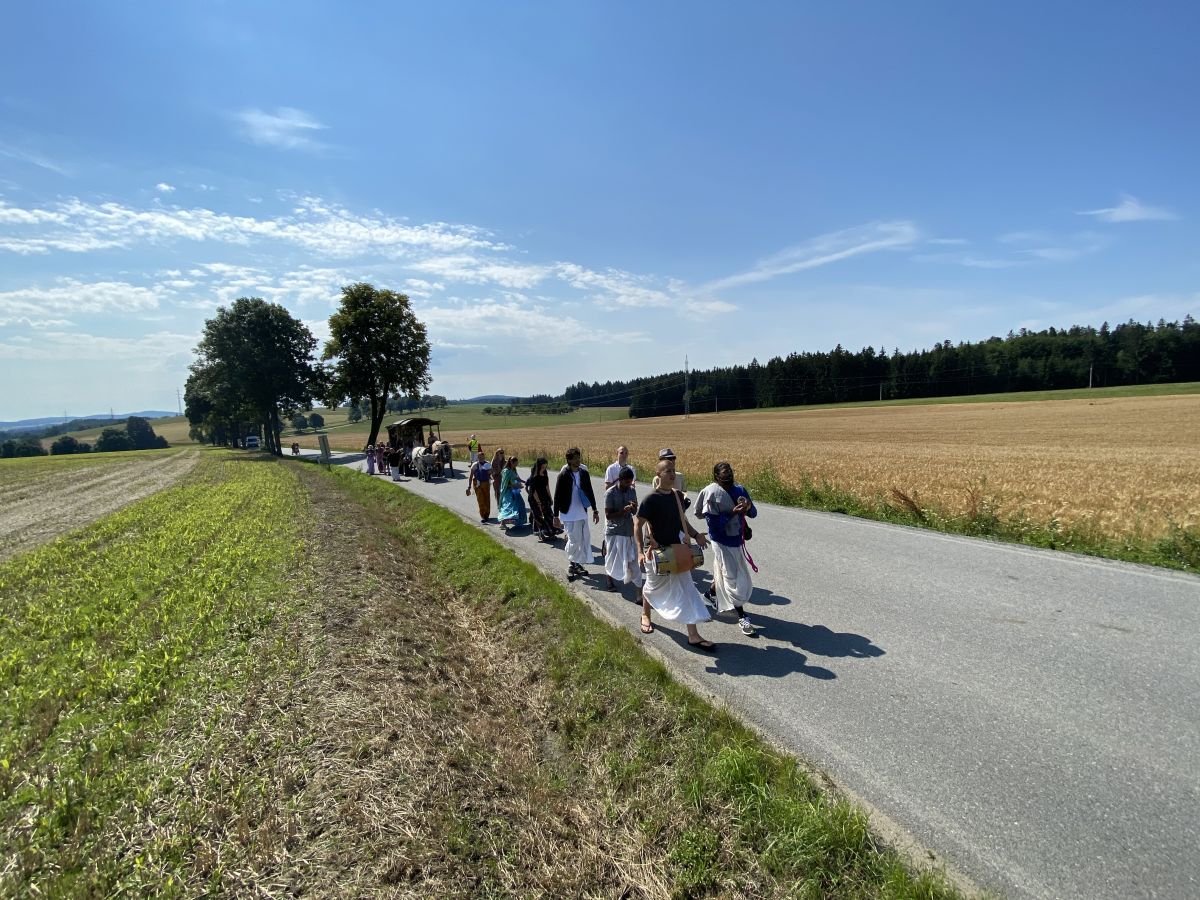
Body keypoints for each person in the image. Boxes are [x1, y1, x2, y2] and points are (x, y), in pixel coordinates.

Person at [635, 460, 714, 649]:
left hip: (677, 550)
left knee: (687, 589)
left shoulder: (677, 496)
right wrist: (639, 552)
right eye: (667, 471)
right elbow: (637, 524)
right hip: (656, 553)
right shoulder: (650, 499)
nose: (672, 474)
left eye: (673, 471)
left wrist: (696, 535)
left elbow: (682, 521)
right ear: (658, 474)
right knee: (652, 587)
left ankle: (693, 635)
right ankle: (646, 614)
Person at [696, 462, 759, 636]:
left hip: (736, 539)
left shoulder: (740, 490)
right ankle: (742, 616)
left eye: (730, 475)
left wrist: (747, 507)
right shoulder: (711, 493)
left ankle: (709, 594)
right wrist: (732, 513)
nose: (728, 479)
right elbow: (714, 526)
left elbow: (753, 513)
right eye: (724, 477)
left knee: (724, 572)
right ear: (716, 478)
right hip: (721, 541)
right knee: (733, 578)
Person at [553, 447, 599, 581]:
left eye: (579, 458)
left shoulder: (584, 473)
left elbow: (590, 491)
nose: (578, 460)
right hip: (568, 513)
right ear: (569, 460)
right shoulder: (563, 475)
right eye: (575, 458)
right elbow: (557, 496)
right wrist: (555, 516)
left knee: (583, 539)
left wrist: (595, 510)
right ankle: (571, 562)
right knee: (574, 540)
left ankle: (576, 565)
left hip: (581, 512)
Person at [604, 466, 644, 597]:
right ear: (620, 480)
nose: (629, 485)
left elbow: (635, 511)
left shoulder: (632, 490)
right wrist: (623, 511)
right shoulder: (610, 493)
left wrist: (633, 507)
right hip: (615, 532)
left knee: (634, 562)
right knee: (612, 559)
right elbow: (608, 516)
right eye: (627, 482)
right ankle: (609, 580)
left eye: (630, 482)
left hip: (629, 531)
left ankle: (639, 594)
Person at [526, 458, 560, 541]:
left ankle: (551, 533)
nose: (544, 469)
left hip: (544, 497)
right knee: (539, 516)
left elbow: (547, 487)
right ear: (539, 466)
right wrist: (538, 502)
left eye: (545, 467)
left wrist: (550, 498)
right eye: (542, 467)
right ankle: (541, 533)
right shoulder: (534, 476)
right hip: (534, 499)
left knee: (549, 514)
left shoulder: (545, 473)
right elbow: (533, 491)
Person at [498, 456, 528, 530]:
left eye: (517, 463)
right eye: (515, 463)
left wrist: (524, 482)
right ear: (511, 462)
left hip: (515, 491)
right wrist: (516, 486)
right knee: (507, 506)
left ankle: (518, 522)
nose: (516, 465)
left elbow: (517, 478)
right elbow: (505, 484)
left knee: (520, 504)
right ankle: (502, 523)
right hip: (508, 492)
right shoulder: (506, 471)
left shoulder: (514, 469)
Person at [466, 451, 492, 522]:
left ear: (484, 457)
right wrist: (469, 487)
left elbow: (491, 473)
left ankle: (487, 514)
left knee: (487, 499)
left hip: (486, 483)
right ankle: (483, 515)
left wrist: (490, 471)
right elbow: (471, 476)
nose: (481, 458)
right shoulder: (475, 465)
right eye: (480, 457)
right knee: (480, 499)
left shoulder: (488, 464)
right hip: (477, 484)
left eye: (482, 457)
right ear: (478, 457)